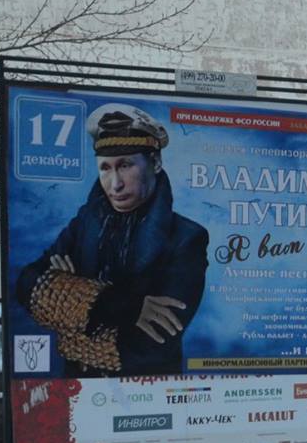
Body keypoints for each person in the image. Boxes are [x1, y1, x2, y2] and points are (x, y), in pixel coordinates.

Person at [14, 104, 208, 375]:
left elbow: (153, 340)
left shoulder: (187, 237)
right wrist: (124, 306)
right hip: (77, 387)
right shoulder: (84, 223)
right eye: (105, 168)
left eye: (125, 165)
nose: (114, 184)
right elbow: (26, 283)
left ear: (155, 162)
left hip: (149, 395)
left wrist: (68, 296)